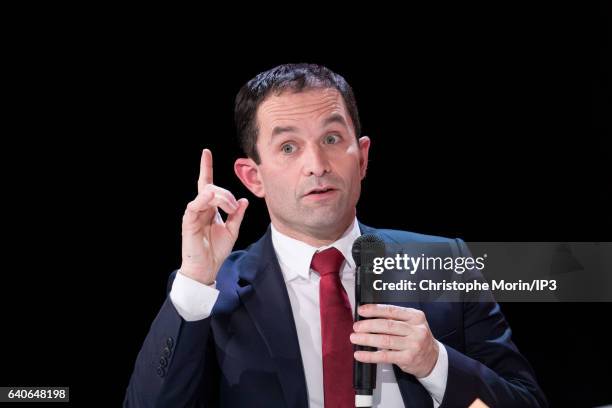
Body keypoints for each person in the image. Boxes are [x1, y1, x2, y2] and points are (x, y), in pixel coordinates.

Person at [124, 63, 547, 407]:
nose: (317, 164)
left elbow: (526, 402)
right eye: (288, 147)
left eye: (331, 138)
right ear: (253, 176)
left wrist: (435, 363)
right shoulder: (213, 293)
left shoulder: (445, 263)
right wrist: (195, 280)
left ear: (361, 157)